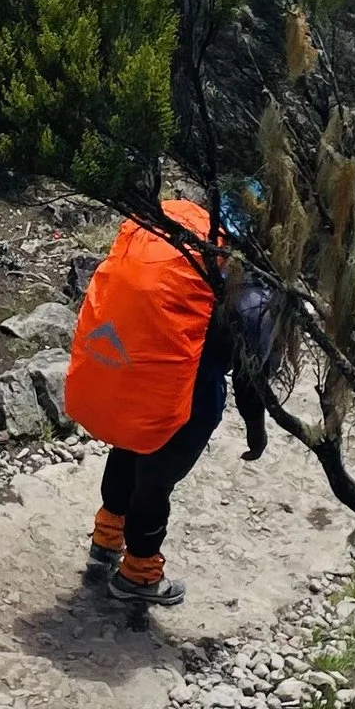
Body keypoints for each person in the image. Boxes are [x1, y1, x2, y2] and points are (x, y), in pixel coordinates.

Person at [65, 202, 275, 613]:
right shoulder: (248, 297)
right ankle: (139, 575)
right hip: (191, 401)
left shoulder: (178, 256)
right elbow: (249, 377)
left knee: (127, 449)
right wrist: (256, 427)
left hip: (140, 374)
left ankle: (106, 541)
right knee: (155, 481)